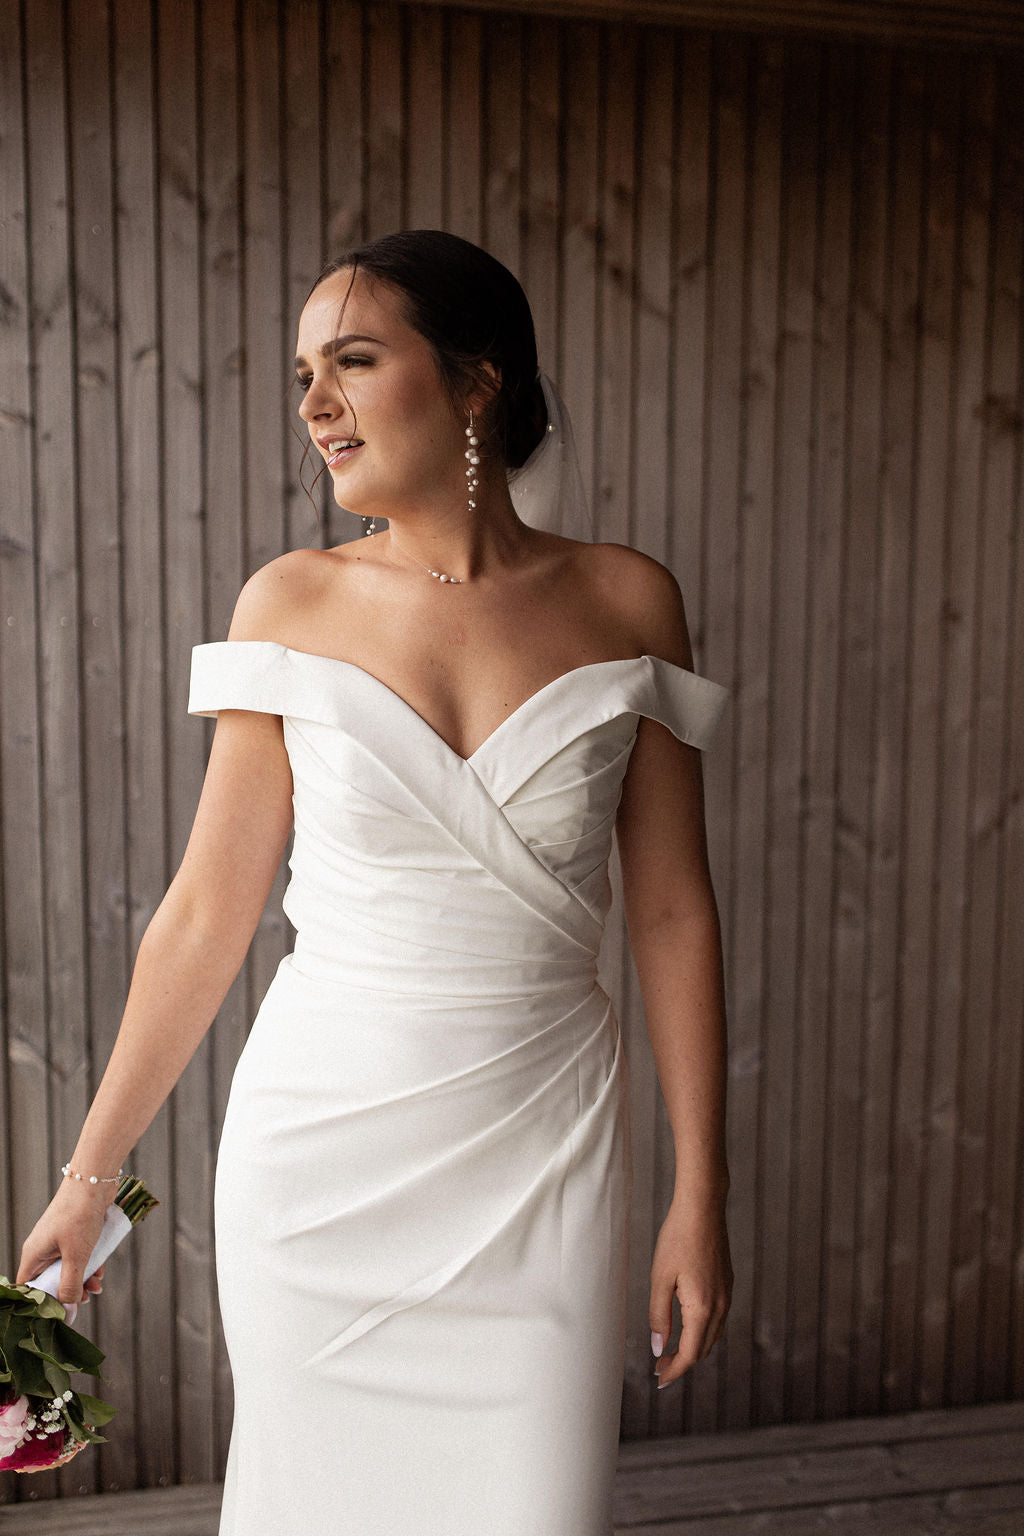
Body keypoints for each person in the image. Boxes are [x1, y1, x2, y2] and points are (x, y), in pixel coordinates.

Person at [17, 229, 732, 1534]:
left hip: (543, 1153)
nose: (314, 406)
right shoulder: (287, 604)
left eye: (353, 360)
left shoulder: (629, 600)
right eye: (304, 373)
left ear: (476, 382)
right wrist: (88, 1179)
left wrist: (700, 1192)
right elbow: (202, 917)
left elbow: (678, 914)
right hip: (321, 1162)